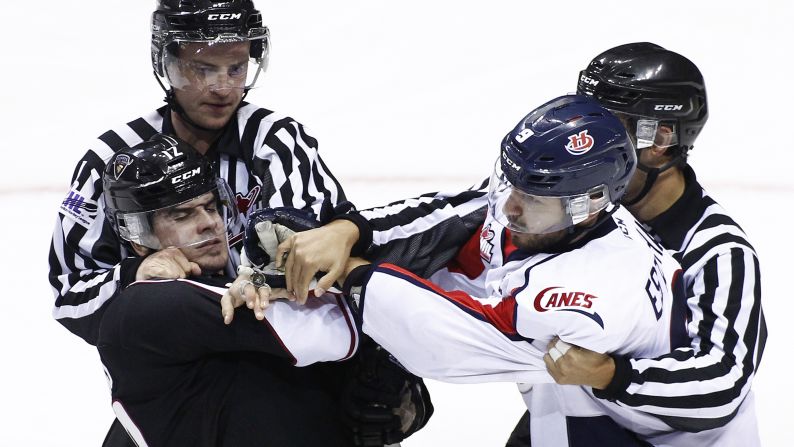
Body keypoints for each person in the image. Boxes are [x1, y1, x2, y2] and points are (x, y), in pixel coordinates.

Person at [49, 2, 431, 445]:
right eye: (202, 69)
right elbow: (70, 297)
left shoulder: (277, 143)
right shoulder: (110, 162)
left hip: (284, 366)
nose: (222, 88)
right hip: (183, 383)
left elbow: (318, 265)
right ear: (165, 63)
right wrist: (134, 274)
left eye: (236, 68)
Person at [236, 94, 708, 445]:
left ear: (590, 205)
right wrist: (345, 232)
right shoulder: (560, 213)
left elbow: (448, 340)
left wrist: (352, 272)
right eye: (512, 185)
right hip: (587, 415)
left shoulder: (592, 298)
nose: (512, 208)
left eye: (533, 200)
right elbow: (458, 214)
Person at [505, 42, 766, 446]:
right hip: (568, 423)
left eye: (608, 127)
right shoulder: (574, 201)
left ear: (660, 139)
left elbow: (724, 380)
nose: (588, 140)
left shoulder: (718, 250)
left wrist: (612, 374)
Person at [98, 135, 362, 446]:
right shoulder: (150, 305)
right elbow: (339, 329)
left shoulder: (226, 285)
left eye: (211, 206)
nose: (209, 223)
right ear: (138, 235)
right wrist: (349, 242)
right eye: (182, 215)